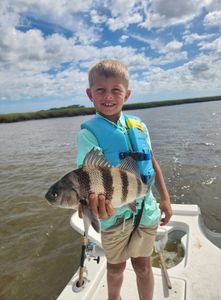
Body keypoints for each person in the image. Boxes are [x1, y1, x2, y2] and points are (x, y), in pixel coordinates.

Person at [76, 59, 172, 300]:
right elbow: (86, 181)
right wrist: (93, 209)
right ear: (90, 94)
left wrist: (165, 199)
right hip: (114, 220)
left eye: (116, 90)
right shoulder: (88, 134)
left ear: (127, 94)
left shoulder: (140, 126)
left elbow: (152, 162)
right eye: (101, 90)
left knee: (143, 266)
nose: (108, 96)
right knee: (115, 267)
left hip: (147, 212)